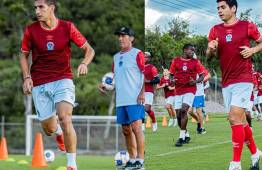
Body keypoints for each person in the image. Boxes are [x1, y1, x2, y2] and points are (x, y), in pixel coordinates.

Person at [20, 0, 95, 169]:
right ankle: (59, 133)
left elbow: (90, 50)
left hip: (63, 79)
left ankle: (71, 164)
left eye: (41, 7)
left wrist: (84, 63)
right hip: (39, 83)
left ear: (51, 8)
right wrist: (26, 78)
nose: (37, 11)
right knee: (49, 129)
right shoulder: (31, 30)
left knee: (65, 118)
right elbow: (23, 55)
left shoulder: (67, 27)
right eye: (35, 8)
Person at [206, 0, 262, 169]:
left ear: (233, 9)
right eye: (218, 8)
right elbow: (210, 57)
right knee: (240, 121)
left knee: (233, 117)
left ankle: (235, 163)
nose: (219, 10)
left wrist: (253, 50)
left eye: (223, 7)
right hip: (227, 81)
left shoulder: (247, 26)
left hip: (244, 79)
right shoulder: (215, 30)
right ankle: (255, 153)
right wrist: (210, 49)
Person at [99, 27, 145, 169]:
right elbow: (113, 78)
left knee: (136, 128)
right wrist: (105, 87)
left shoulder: (138, 53)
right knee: (126, 130)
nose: (120, 38)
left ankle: (140, 160)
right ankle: (131, 160)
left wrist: (142, 93)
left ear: (131, 38)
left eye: (124, 36)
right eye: (119, 36)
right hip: (121, 100)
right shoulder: (116, 57)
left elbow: (145, 74)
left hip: (135, 99)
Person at [170, 44, 207, 147]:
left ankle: (181, 138)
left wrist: (194, 81)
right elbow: (171, 75)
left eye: (194, 51)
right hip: (178, 90)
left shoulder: (196, 62)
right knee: (178, 115)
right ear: (185, 50)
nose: (193, 52)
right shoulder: (176, 61)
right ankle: (186, 134)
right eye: (192, 50)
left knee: (183, 110)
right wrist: (171, 81)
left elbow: (202, 76)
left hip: (190, 90)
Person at [189, 54, 211, 134]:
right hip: (191, 92)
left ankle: (201, 128)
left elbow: (209, 75)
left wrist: (201, 80)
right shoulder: (188, 67)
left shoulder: (199, 66)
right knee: (190, 111)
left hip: (198, 92)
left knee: (198, 111)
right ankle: (199, 122)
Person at [143, 52, 160, 132]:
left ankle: (154, 121)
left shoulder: (152, 67)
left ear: (149, 59)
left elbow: (157, 79)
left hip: (148, 91)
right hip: (139, 92)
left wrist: (148, 81)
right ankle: (142, 126)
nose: (144, 58)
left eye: (146, 57)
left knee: (147, 109)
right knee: (140, 109)